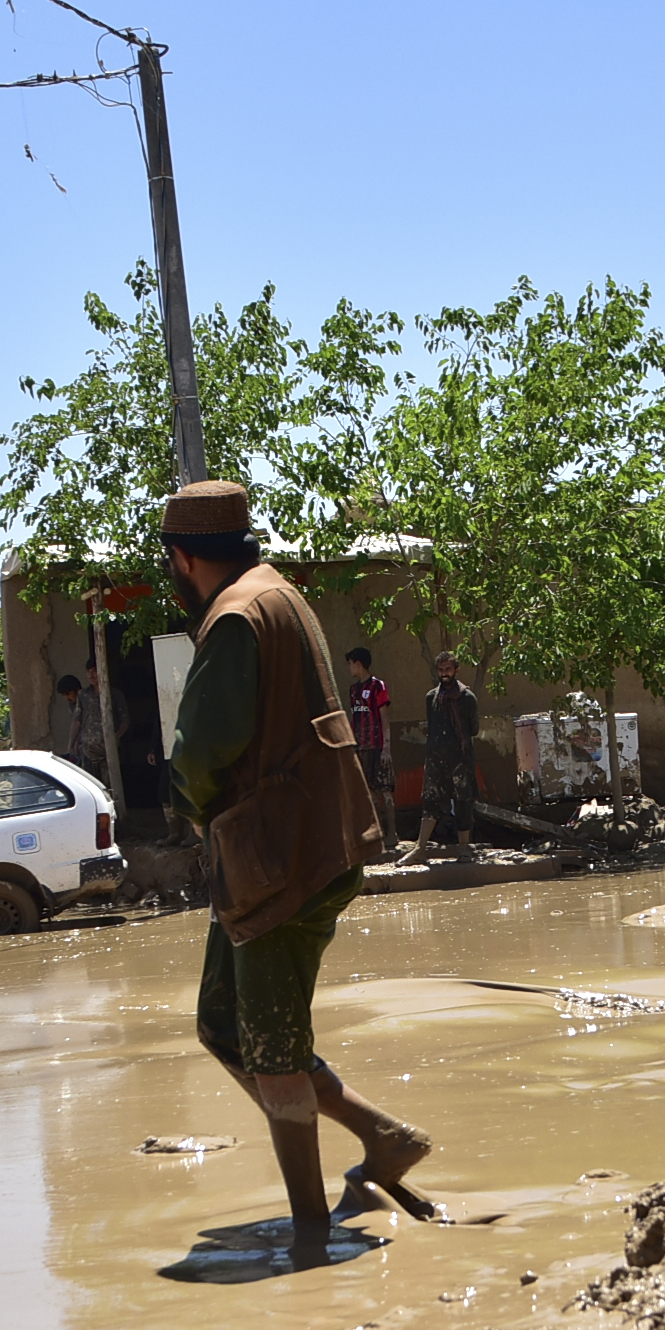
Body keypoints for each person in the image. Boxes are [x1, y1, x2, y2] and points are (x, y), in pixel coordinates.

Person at [160, 480, 428, 1256]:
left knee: (272, 1052)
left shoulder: (234, 617)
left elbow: (200, 756)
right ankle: (383, 1136)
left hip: (278, 864)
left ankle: (310, 1235)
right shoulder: (276, 593)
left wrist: (189, 807)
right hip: (303, 848)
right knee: (224, 1025)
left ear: (184, 559)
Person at [410, 650, 480, 857]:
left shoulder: (467, 698)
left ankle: (464, 849)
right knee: (430, 801)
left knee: (463, 803)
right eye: (441, 670)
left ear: (456, 670)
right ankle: (419, 849)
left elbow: (473, 729)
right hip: (436, 759)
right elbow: (432, 727)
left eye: (448, 669)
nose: (444, 673)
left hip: (461, 759)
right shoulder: (431, 698)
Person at [344, 646, 394, 829]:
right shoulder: (353, 690)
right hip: (360, 746)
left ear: (358, 664)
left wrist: (386, 747)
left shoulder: (377, 686)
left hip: (377, 745)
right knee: (368, 789)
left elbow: (384, 717)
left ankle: (392, 832)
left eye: (350, 664)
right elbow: (354, 718)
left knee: (384, 788)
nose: (349, 668)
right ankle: (378, 830)